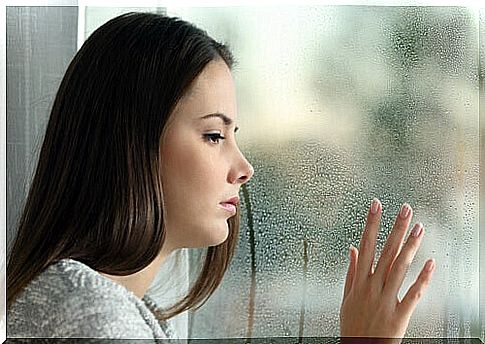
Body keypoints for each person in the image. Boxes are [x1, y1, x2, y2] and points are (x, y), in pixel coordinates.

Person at [6, 12, 436, 341]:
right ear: (130, 142)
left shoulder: (101, 307)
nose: (244, 169)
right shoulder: (94, 319)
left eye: (233, 136)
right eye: (214, 135)